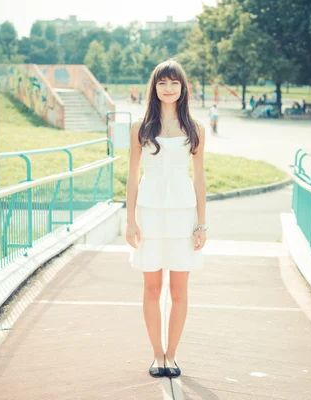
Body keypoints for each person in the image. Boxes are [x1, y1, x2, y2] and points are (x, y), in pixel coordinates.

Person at [126, 59, 207, 379]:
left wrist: (202, 223)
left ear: (183, 87)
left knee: (178, 291)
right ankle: (156, 354)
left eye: (174, 83)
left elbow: (199, 178)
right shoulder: (141, 127)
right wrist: (130, 220)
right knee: (151, 287)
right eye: (162, 83)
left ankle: (172, 355)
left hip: (183, 216)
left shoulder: (195, 129)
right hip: (148, 214)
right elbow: (132, 175)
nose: (169, 88)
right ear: (154, 87)